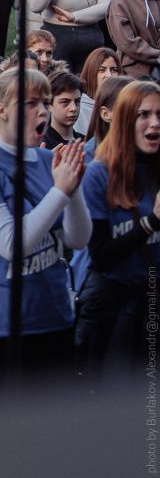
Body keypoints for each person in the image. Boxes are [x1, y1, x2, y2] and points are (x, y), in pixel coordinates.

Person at [0, 69, 91, 407]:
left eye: (45, 102)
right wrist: (60, 191)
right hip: (0, 325)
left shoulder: (50, 161)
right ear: (1, 110)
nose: (42, 111)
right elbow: (12, 245)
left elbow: (78, 239)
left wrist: (72, 192)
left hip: (54, 315)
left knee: (56, 433)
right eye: (30, 103)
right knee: (7, 441)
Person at [78, 81, 160, 378]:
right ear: (125, 120)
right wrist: (152, 222)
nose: (154, 124)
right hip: (114, 311)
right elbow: (101, 257)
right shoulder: (99, 173)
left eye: (159, 115)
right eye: (144, 115)